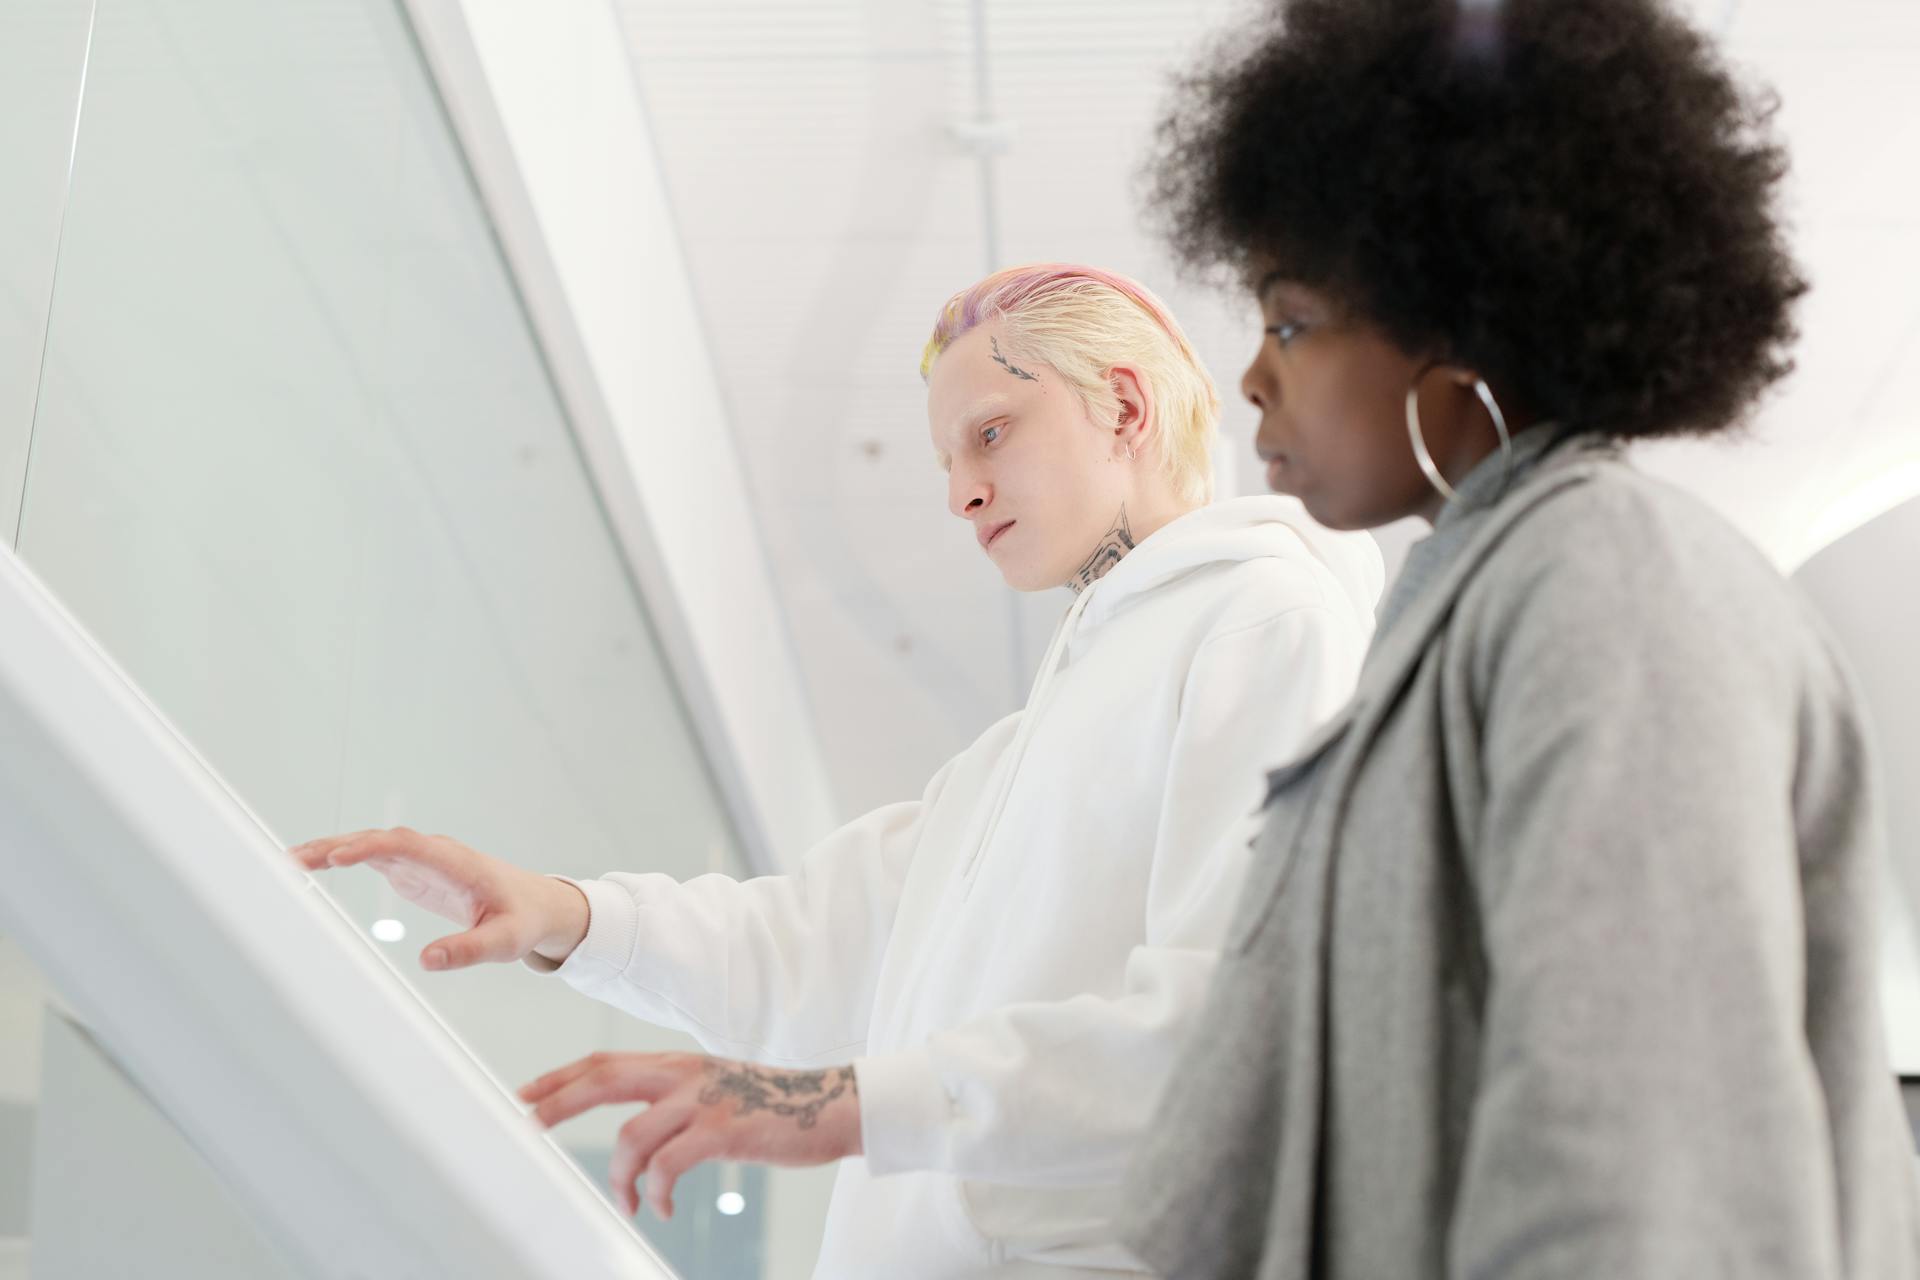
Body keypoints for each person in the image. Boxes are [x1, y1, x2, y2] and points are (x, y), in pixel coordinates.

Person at [294, 263, 1383, 1278]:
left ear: (1128, 410)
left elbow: (1238, 1031)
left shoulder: (1264, 621)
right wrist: (562, 915)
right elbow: (802, 949)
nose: (962, 493)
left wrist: (838, 1104)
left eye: (991, 433)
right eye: (948, 461)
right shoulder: (1012, 758)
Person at [1115, 2, 1920, 1277]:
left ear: (1461, 316)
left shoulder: (1605, 579)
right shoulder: (1466, 617)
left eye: (1290, 319)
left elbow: (1632, 1172)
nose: (1253, 380)